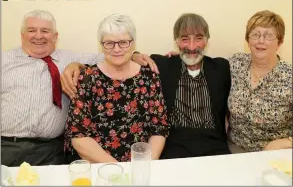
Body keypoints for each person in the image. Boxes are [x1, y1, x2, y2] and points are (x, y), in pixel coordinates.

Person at [62, 13, 231, 158]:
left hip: (213, 145)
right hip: (176, 146)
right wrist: (75, 65)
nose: (192, 47)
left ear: (207, 40)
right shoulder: (161, 64)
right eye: (185, 39)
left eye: (199, 38)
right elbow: (121, 58)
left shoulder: (222, 67)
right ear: (176, 42)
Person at [1, 9, 154, 166]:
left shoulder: (69, 58)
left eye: (45, 31)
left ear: (55, 36)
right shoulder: (4, 60)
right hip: (6, 147)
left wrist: (135, 54)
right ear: (22, 35)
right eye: (31, 30)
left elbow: (112, 54)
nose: (38, 36)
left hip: (51, 151)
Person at [64, 14, 169, 163]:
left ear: (133, 44)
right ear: (101, 45)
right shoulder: (86, 78)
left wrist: (145, 164)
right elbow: (78, 136)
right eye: (109, 43)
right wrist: (117, 169)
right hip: (99, 166)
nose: (117, 49)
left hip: (141, 164)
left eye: (123, 42)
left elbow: (159, 128)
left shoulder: (149, 77)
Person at [227, 10, 292, 152]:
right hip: (234, 148)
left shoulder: (289, 77)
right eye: (255, 35)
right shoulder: (236, 64)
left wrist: (286, 142)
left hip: (274, 154)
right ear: (248, 39)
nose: (261, 41)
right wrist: (180, 58)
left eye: (269, 36)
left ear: (279, 42)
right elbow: (207, 69)